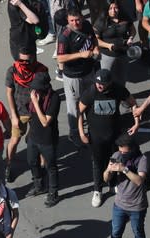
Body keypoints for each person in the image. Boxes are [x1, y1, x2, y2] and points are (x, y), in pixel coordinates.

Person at [78, 69, 139, 208]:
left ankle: (112, 184)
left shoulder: (118, 89)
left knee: (114, 160)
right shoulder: (90, 92)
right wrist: (82, 133)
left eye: (102, 83)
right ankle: (98, 190)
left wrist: (136, 123)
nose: (99, 85)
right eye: (97, 82)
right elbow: (79, 111)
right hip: (96, 137)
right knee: (98, 163)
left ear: (109, 83)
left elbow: (133, 103)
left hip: (114, 135)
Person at [102, 133, 150, 238]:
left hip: (137, 206)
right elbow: (105, 178)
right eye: (120, 150)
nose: (121, 153)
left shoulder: (142, 159)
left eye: (125, 151)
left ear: (133, 149)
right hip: (119, 204)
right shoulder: (116, 155)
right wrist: (109, 170)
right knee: (115, 233)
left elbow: (139, 181)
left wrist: (124, 169)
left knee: (138, 232)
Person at [5, 48, 49, 181]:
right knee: (14, 140)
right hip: (20, 112)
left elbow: (46, 91)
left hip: (37, 111)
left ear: (34, 57)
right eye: (21, 60)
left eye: (27, 60)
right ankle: (8, 165)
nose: (24, 63)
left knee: (40, 140)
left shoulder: (41, 70)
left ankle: (43, 166)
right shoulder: (12, 71)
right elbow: (9, 93)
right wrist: (14, 116)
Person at [56, 9, 99, 145]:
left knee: (91, 100)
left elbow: (94, 39)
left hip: (89, 72)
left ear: (81, 17)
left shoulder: (86, 25)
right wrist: (80, 55)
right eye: (72, 21)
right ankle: (75, 133)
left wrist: (96, 48)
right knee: (74, 106)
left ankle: (92, 127)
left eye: (77, 19)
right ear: (68, 21)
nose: (75, 23)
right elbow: (60, 58)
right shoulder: (65, 36)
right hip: (73, 77)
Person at [26, 72, 61, 207]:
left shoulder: (54, 98)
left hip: (48, 139)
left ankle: (53, 192)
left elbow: (45, 122)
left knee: (50, 166)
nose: (35, 90)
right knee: (32, 161)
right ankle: (39, 185)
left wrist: (35, 102)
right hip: (33, 137)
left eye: (38, 88)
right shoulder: (35, 93)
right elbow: (31, 116)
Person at [94, 1, 136, 88]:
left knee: (122, 78)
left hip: (123, 53)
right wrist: (109, 46)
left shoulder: (125, 18)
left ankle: (122, 98)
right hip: (108, 55)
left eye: (115, 8)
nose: (113, 11)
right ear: (107, 10)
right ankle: (108, 97)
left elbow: (133, 30)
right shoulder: (101, 21)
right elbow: (96, 39)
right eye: (110, 8)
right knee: (106, 78)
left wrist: (131, 38)